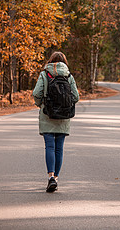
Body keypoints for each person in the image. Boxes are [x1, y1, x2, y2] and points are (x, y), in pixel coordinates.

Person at [33, 51, 79, 192]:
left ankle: (50, 177)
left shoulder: (45, 74)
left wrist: (41, 104)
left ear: (50, 61)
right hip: (64, 116)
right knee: (59, 148)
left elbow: (36, 93)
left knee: (50, 147)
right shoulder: (68, 76)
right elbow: (76, 97)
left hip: (48, 114)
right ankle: (56, 179)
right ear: (64, 62)